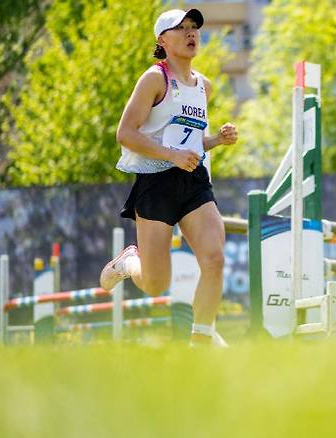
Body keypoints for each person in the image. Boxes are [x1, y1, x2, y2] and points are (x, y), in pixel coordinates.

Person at [99, 8, 237, 346]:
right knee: (156, 283)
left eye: (195, 28)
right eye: (182, 29)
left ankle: (200, 341)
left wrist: (216, 140)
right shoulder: (154, 78)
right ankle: (130, 260)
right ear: (163, 40)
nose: (192, 34)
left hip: (193, 181)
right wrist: (171, 155)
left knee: (215, 258)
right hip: (155, 182)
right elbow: (126, 134)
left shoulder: (204, 85)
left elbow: (187, 142)